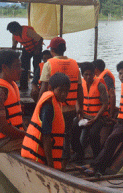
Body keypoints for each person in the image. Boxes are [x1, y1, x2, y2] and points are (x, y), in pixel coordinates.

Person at [85, 61, 123, 176]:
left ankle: (96, 166)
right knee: (109, 141)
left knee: (111, 140)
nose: (122, 76)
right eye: (120, 73)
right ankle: (99, 167)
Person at [38, 36, 84, 166]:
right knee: (66, 136)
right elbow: (80, 88)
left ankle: (50, 162)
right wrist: (80, 107)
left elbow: (43, 88)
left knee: (49, 135)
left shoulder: (49, 64)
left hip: (53, 107)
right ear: (64, 49)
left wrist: (39, 107)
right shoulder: (74, 64)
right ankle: (63, 163)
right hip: (70, 109)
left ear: (52, 50)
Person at [21, 73, 70, 170]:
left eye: (66, 91)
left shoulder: (55, 102)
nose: (64, 94)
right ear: (50, 88)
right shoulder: (48, 107)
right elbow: (46, 136)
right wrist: (50, 165)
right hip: (37, 157)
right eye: (60, 90)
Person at [71, 62, 109, 162]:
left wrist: (95, 118)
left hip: (98, 117)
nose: (88, 77)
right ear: (82, 75)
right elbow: (76, 99)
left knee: (93, 134)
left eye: (91, 74)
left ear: (94, 74)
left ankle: (97, 156)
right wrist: (78, 109)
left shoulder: (100, 86)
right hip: (84, 116)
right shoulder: (80, 85)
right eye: (86, 74)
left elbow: (105, 104)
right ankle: (79, 152)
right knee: (73, 128)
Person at [6, 21, 43, 90]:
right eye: (11, 32)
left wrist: (37, 50)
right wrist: (11, 55)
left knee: (36, 66)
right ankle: (23, 85)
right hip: (27, 49)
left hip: (36, 47)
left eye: (12, 32)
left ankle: (36, 85)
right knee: (23, 66)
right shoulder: (15, 35)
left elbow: (40, 39)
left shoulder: (28, 31)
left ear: (17, 29)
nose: (12, 33)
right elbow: (14, 45)